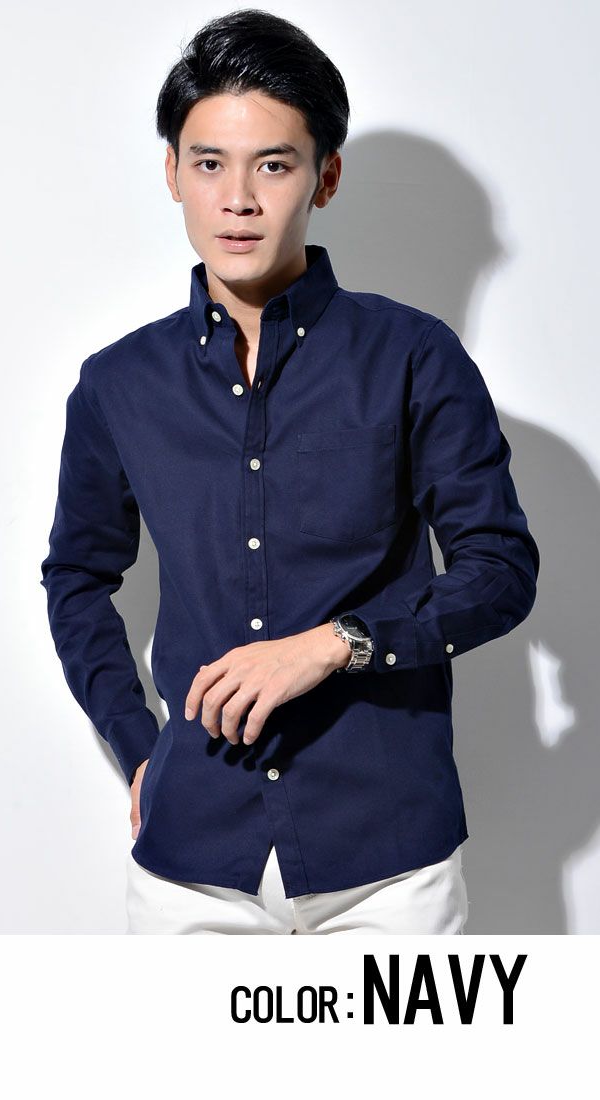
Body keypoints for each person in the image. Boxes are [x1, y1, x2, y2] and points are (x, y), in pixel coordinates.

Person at [40, 9, 539, 935]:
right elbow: (76, 578)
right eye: (209, 164)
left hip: (389, 865)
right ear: (172, 173)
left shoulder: (415, 357)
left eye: (272, 165)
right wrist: (139, 747)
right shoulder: (118, 385)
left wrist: (334, 644)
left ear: (325, 177)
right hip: (192, 865)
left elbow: (500, 571)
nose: (237, 199)